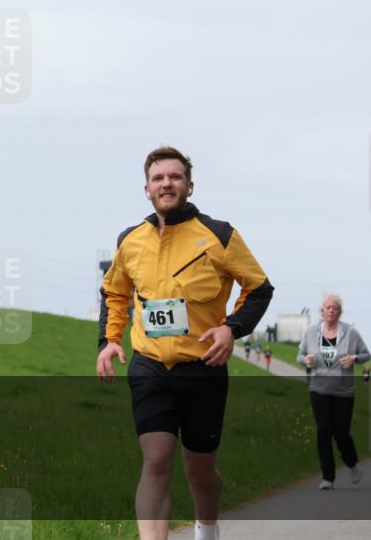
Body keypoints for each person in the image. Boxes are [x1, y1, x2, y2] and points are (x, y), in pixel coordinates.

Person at [96, 146, 274, 540]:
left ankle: (206, 530)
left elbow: (259, 289)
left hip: (203, 367)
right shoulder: (131, 239)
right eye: (158, 178)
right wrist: (109, 341)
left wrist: (231, 328)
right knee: (156, 461)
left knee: (199, 468)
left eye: (175, 177)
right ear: (146, 189)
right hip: (150, 364)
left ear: (189, 186)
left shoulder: (219, 235)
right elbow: (115, 294)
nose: (167, 184)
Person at [297, 294, 371, 490]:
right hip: (319, 388)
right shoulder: (311, 332)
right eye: (327, 307)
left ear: (340, 312)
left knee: (341, 432)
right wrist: (307, 360)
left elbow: (366, 355)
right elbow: (300, 355)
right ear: (322, 311)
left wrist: (354, 358)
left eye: (335, 308)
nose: (331, 310)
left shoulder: (350, 333)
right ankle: (327, 477)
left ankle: (352, 464)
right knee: (323, 430)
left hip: (344, 391)